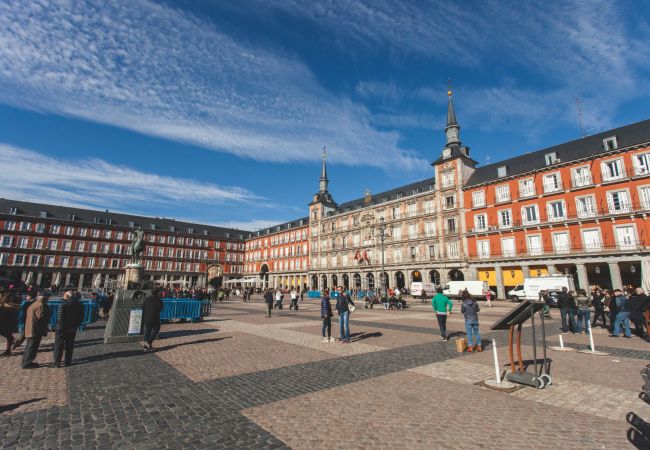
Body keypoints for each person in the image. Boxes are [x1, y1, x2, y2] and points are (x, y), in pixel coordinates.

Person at [52, 290, 85, 367]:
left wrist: (63, 327)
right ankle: (68, 362)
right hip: (73, 328)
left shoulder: (64, 304)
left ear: (67, 296)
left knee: (59, 345)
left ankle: (57, 362)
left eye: (64, 295)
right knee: (69, 345)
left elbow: (60, 318)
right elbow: (81, 317)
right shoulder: (80, 304)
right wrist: (76, 325)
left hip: (61, 328)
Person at [22, 292, 51, 369]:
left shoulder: (34, 304)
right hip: (35, 329)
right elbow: (41, 317)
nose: (48, 299)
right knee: (32, 346)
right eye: (48, 298)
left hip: (31, 327)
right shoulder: (41, 305)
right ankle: (27, 363)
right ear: (45, 298)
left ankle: (26, 361)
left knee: (29, 346)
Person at [0, 285, 20, 356]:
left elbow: (16, 306)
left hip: (6, 320)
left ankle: (8, 350)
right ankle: (9, 349)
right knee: (7, 335)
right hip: (4, 320)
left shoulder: (8, 300)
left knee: (8, 335)